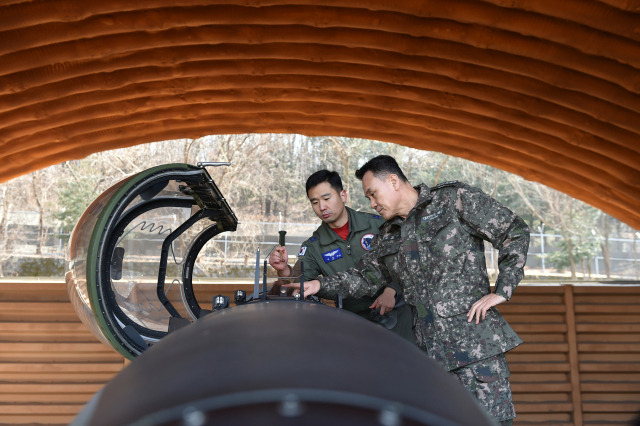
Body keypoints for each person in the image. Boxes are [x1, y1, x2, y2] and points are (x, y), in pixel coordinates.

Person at [286, 156, 530, 425]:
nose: (372, 204)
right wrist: (319, 284)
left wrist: (503, 289)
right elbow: (366, 278)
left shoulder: (452, 200)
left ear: (393, 181)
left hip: (476, 351)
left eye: (373, 194)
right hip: (428, 360)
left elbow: (513, 230)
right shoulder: (389, 234)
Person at [269, 169, 414, 343]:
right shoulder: (313, 246)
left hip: (398, 320)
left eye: (326, 198)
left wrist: (392, 290)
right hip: (352, 328)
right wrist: (284, 270)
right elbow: (299, 283)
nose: (322, 207)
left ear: (343, 195)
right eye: (314, 202)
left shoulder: (379, 225)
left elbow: (408, 260)